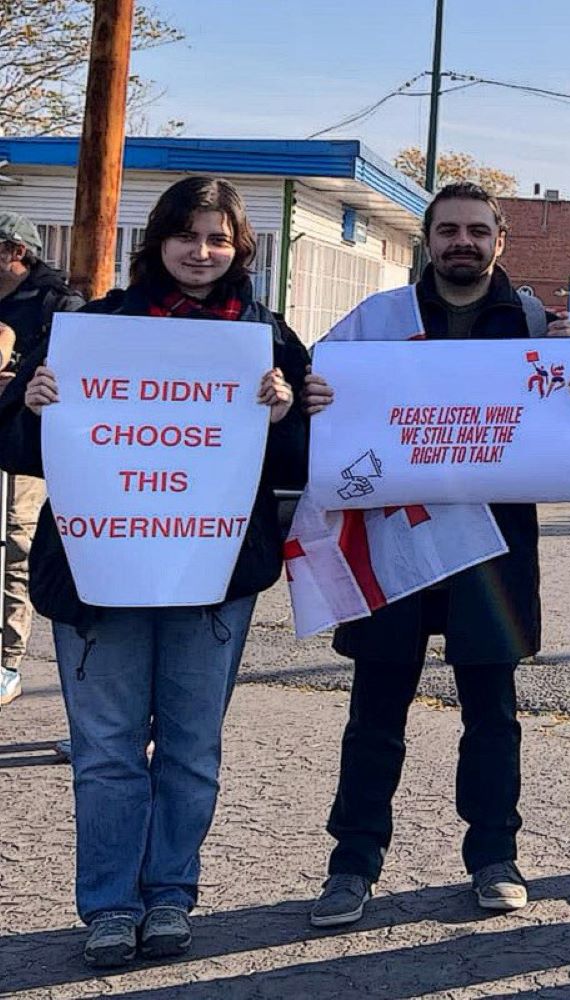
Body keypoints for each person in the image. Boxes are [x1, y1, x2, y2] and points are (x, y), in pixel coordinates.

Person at [0, 177, 306, 967]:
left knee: (191, 747)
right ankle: (108, 905)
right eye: (186, 235)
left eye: (218, 239)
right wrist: (32, 405)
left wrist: (284, 415)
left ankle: (170, 894)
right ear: (157, 240)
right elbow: (16, 449)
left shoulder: (268, 339)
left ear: (240, 247)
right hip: (98, 569)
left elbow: (308, 462)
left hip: (212, 577)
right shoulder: (90, 329)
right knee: (104, 749)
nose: (201, 253)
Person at [303, 182, 570, 928]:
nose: (461, 242)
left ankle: (495, 855)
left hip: (492, 548)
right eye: (448, 230)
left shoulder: (540, 328)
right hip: (393, 535)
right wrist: (315, 398)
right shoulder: (377, 322)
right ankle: (352, 864)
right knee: (375, 711)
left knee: (492, 713)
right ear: (427, 241)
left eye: (476, 230)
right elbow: (325, 393)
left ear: (500, 239)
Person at [0, 211, 85, 708]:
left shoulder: (61, 304)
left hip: (20, 443)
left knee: (13, 541)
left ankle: (7, 660)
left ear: (16, 253)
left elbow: (78, 374)